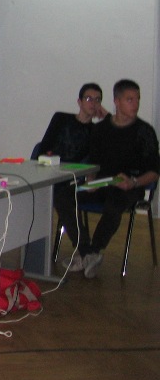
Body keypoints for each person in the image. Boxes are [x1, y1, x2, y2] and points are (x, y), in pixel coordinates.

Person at [55, 79, 160, 279]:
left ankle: (93, 251)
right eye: (130, 99)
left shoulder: (144, 131)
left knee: (114, 203)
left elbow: (154, 171)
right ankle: (87, 252)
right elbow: (93, 163)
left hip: (129, 186)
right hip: (102, 183)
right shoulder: (101, 129)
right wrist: (90, 180)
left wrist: (134, 182)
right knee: (64, 196)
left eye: (137, 99)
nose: (136, 104)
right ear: (117, 102)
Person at [36, 82, 108, 162]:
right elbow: (44, 147)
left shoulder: (96, 131)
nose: (93, 103)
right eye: (88, 99)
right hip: (49, 165)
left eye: (97, 100)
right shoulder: (61, 118)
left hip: (73, 169)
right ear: (80, 102)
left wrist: (107, 116)